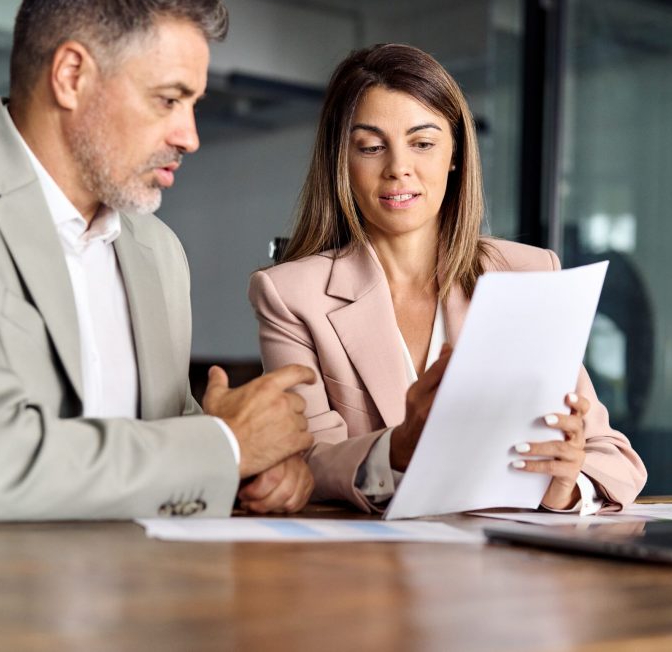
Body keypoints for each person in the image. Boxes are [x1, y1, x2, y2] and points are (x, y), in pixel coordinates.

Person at [0, 0, 317, 521]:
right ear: (71, 76)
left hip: (135, 589)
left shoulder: (158, 251)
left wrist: (253, 469)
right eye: (168, 99)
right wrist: (227, 447)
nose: (189, 136)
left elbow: (163, 444)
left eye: (194, 105)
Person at [249, 43, 647, 513]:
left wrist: (565, 483)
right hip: (367, 571)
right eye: (372, 147)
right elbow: (304, 460)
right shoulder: (292, 295)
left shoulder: (527, 274)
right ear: (342, 162)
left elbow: (615, 459)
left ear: (455, 154)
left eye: (422, 143)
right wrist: (393, 449)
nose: (399, 168)